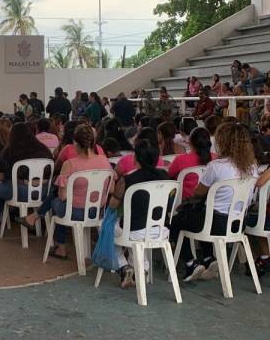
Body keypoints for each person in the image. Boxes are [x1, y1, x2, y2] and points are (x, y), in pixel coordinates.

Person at [171, 123, 258, 282]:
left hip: (214, 224)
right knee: (203, 213)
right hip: (238, 223)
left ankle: (191, 262)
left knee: (176, 221)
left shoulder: (216, 166)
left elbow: (198, 192)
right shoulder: (252, 166)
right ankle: (209, 259)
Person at [19, 124, 112, 259]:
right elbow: (112, 188)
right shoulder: (104, 161)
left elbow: (63, 197)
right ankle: (35, 217)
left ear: (75, 143)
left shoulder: (70, 164)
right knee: (56, 196)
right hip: (98, 211)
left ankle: (60, 246)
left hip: (76, 211)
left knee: (56, 198)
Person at [108, 139, 170, 287]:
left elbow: (113, 205)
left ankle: (124, 266)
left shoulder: (127, 179)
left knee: (110, 228)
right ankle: (142, 268)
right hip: (161, 230)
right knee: (132, 228)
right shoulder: (166, 177)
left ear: (135, 158)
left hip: (135, 230)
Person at [0, 122, 53, 237]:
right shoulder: (44, 149)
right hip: (43, 192)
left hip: (20, 192)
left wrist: (13, 179)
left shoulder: (8, 151)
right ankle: (41, 223)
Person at [168, 127, 214, 203]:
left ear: (190, 142)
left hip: (185, 203)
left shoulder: (180, 159)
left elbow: (168, 175)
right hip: (209, 203)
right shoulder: (216, 159)